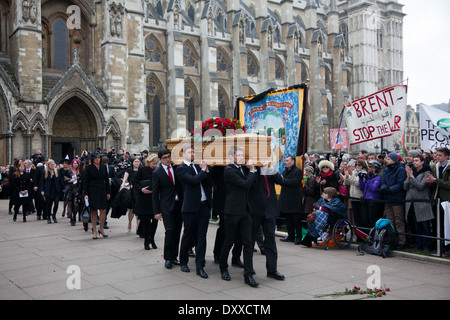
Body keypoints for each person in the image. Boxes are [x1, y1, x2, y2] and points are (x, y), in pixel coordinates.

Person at [219, 146, 259, 288]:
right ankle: (223, 268)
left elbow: (253, 186)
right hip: (232, 211)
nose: (241, 157)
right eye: (238, 155)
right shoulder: (229, 170)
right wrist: (253, 171)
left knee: (248, 243)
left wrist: (254, 171)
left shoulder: (244, 169)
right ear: (231, 157)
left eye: (242, 155)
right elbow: (245, 184)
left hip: (246, 211)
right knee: (229, 241)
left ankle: (248, 274)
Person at [176, 144, 212, 278]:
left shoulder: (198, 167)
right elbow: (193, 180)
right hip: (190, 208)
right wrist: (203, 171)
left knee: (201, 237)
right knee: (188, 235)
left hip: (203, 206)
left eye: (193, 152)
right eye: (190, 152)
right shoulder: (181, 169)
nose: (192, 154)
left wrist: (207, 171)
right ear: (183, 154)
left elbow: (208, 182)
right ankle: (183, 261)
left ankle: (200, 266)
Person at [249, 163, 285, 280]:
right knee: (250, 240)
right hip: (255, 209)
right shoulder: (252, 168)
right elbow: (251, 185)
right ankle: (248, 269)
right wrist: (254, 170)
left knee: (270, 241)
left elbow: (280, 181)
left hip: (270, 210)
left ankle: (272, 270)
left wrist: (270, 169)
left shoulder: (270, 169)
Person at [152, 149, 184, 269]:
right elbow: (155, 193)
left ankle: (175, 256)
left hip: (178, 204)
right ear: (160, 160)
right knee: (170, 231)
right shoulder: (157, 172)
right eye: (165, 157)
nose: (168, 159)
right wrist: (156, 211)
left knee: (177, 231)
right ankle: (167, 258)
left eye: (169, 157)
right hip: (166, 206)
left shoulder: (176, 169)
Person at [404, 154, 434, 252]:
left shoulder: (426, 172)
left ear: (422, 162)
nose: (414, 162)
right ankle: (418, 245)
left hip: (422, 203)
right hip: (411, 202)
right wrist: (408, 178)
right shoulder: (411, 171)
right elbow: (405, 187)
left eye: (417, 160)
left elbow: (421, 186)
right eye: (414, 161)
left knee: (425, 226)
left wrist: (411, 177)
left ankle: (427, 246)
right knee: (416, 226)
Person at [424, 147, 450, 255]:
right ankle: (439, 247)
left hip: (446, 200)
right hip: (436, 199)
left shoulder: (448, 168)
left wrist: (436, 180)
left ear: (446, 156)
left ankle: (447, 248)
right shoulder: (435, 166)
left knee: (446, 225)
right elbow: (435, 182)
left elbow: (448, 184)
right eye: (436, 154)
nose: (437, 157)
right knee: (436, 225)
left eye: (440, 155)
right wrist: (430, 181)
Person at [379, 153, 407, 249]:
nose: (387, 160)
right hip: (388, 198)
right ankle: (392, 240)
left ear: (394, 160)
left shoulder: (401, 169)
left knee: (398, 220)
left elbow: (400, 184)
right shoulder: (387, 169)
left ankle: (401, 241)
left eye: (389, 159)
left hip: (397, 198)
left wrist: (390, 189)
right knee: (390, 220)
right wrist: (384, 188)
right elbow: (383, 181)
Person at [83, 152, 111, 240]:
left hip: (102, 190)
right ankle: (94, 230)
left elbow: (106, 180)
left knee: (103, 210)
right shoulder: (88, 168)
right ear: (92, 159)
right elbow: (85, 182)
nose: (97, 159)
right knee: (94, 210)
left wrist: (108, 192)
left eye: (99, 158)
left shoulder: (103, 167)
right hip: (92, 190)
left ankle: (101, 229)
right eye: (95, 158)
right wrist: (85, 194)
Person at [134, 154, 159, 250]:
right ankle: (146, 241)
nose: (155, 165)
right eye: (153, 163)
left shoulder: (157, 170)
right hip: (144, 198)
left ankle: (152, 239)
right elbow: (135, 182)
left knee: (155, 220)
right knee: (145, 221)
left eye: (156, 164)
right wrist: (141, 189)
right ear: (149, 162)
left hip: (154, 198)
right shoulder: (142, 170)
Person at [278, 156, 303, 244]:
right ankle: (290, 235)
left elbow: (295, 182)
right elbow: (282, 182)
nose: (286, 162)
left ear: (293, 161)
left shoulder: (298, 171)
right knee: (288, 219)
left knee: (296, 219)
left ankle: (298, 237)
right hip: (285, 198)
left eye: (287, 161)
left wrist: (283, 180)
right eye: (285, 161)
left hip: (294, 199)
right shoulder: (285, 171)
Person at [358, 160, 383, 228]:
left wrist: (368, 180)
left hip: (373, 201)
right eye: (368, 166)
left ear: (375, 168)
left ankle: (375, 235)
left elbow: (373, 188)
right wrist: (360, 179)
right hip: (366, 200)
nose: (368, 168)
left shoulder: (377, 178)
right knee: (365, 219)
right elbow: (361, 187)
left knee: (372, 219)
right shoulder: (367, 177)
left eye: (370, 167)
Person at [343, 159, 367, 229]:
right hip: (352, 197)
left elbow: (358, 183)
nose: (357, 166)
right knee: (355, 217)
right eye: (356, 164)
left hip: (359, 197)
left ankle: (362, 232)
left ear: (363, 166)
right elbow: (347, 183)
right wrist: (347, 176)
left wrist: (351, 175)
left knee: (360, 216)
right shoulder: (354, 173)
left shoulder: (364, 173)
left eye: (359, 165)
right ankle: (357, 232)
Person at [40, 159, 65, 224]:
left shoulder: (57, 171)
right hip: (49, 189)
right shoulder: (45, 172)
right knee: (49, 204)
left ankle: (54, 216)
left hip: (56, 189)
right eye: (51, 164)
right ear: (48, 165)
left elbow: (60, 180)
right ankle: (48, 216)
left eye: (53, 164)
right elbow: (42, 182)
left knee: (56, 203)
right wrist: (42, 190)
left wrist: (63, 188)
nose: (52, 166)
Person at [120, 157, 141, 233]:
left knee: (138, 210)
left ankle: (138, 226)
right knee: (132, 209)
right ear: (132, 163)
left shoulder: (141, 170)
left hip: (138, 191)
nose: (137, 163)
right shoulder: (129, 170)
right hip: (131, 190)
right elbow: (124, 180)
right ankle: (129, 223)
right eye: (135, 162)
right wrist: (122, 187)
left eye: (138, 162)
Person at [65, 159, 81, 226]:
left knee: (76, 205)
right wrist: (69, 180)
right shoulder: (68, 171)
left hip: (76, 189)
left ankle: (74, 216)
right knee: (70, 204)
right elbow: (64, 178)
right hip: (70, 189)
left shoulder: (79, 172)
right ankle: (71, 218)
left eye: (76, 163)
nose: (75, 165)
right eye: (74, 163)